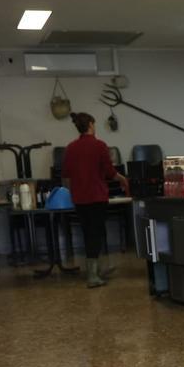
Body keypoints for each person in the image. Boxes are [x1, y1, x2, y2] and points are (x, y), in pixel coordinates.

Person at [62, 112, 129, 288]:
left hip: (79, 198)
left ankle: (94, 270)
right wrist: (123, 179)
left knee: (87, 233)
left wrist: (72, 193)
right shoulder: (99, 146)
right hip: (96, 196)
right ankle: (92, 276)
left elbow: (66, 175)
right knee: (96, 234)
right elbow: (109, 172)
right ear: (91, 124)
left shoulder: (70, 148)